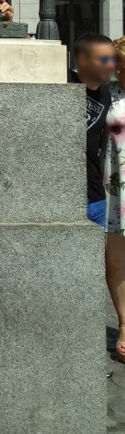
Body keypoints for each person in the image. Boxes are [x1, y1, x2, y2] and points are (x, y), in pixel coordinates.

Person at [69, 33, 116, 227]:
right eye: (104, 59)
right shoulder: (62, 80)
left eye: (113, 59)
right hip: (65, 195)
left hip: (95, 198)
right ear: (82, 60)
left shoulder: (108, 95)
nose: (111, 65)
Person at [102, 36, 125, 362]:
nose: (117, 67)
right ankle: (124, 325)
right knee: (117, 262)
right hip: (114, 191)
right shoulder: (105, 94)